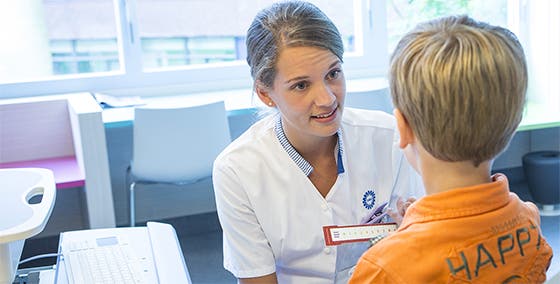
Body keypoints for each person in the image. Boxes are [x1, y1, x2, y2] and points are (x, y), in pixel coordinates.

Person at [212, 1, 423, 283]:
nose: (327, 99)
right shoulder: (237, 170)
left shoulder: (389, 138)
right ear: (265, 93)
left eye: (333, 74)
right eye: (301, 85)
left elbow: (419, 254)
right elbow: (258, 278)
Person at [349, 15, 554, 283]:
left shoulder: (382, 268)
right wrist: (411, 231)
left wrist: (400, 247)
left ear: (403, 128)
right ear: (512, 125)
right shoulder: (528, 220)